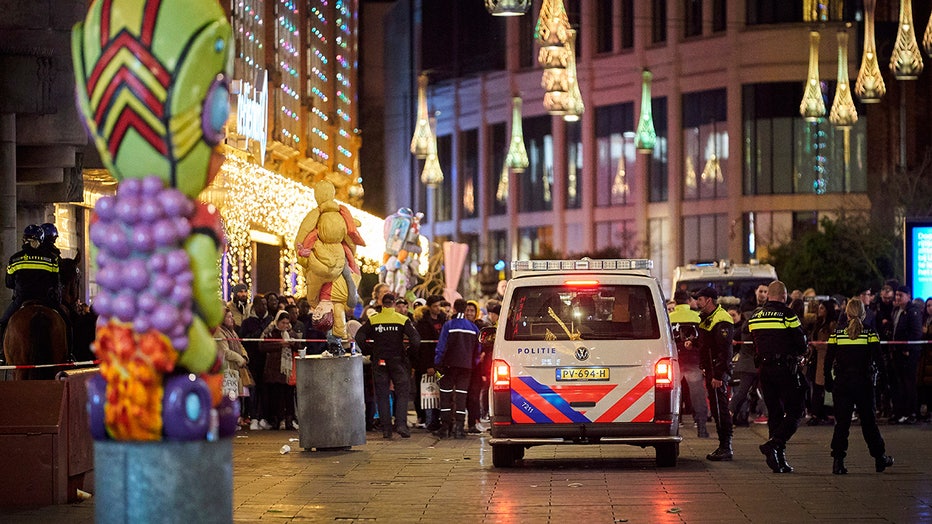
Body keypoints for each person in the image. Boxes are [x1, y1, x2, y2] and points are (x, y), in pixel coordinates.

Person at [824, 298, 894, 474]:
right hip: (863, 383)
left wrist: (828, 381)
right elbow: (879, 360)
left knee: (842, 424)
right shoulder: (870, 333)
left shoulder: (837, 333)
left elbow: (828, 361)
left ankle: (838, 462)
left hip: (842, 383)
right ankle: (880, 458)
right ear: (863, 314)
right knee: (869, 423)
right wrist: (884, 383)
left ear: (846, 313)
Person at [747, 280, 808, 473]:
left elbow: (755, 338)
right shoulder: (788, 314)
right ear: (784, 296)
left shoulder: (756, 316)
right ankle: (775, 444)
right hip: (786, 369)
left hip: (764, 370)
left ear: (768, 295)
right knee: (796, 410)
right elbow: (802, 342)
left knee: (774, 413)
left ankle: (777, 460)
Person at [355, 293, 421, 439]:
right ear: (393, 303)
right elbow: (416, 339)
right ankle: (401, 425)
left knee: (382, 394)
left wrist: (370, 352)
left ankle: (386, 429)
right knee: (402, 393)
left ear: (382, 303)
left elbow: (359, 336)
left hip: (380, 361)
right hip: (398, 361)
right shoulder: (402, 319)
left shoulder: (374, 319)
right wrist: (408, 352)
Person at [0, 225, 62, 344]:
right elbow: (55, 282)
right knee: (66, 322)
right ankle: (69, 354)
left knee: (3, 323)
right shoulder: (51, 259)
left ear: (24, 240)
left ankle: (2, 354)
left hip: (21, 299)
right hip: (45, 299)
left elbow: (9, 283)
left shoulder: (14, 259)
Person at [429, 298, 480, 439]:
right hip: (466, 368)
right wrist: (473, 364)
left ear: (454, 308)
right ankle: (459, 428)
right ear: (464, 309)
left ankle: (445, 428)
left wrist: (438, 363)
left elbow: (441, 346)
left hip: (448, 366)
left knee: (445, 396)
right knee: (461, 397)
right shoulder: (473, 328)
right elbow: (477, 349)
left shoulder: (448, 325)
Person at [694, 287, 734, 460]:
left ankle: (726, 446)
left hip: (717, 372)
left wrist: (718, 375)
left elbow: (724, 351)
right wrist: (693, 343)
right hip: (711, 370)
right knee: (717, 409)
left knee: (720, 409)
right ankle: (723, 446)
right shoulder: (707, 318)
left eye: (700, 299)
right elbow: (707, 344)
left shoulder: (721, 319)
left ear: (709, 300)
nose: (697, 302)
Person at [669, 289, 708, 438]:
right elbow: (703, 341)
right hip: (693, 361)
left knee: (673, 394)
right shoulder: (697, 317)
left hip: (675, 361)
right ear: (688, 300)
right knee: (697, 394)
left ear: (675, 301)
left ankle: (675, 425)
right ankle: (702, 428)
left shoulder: (669, 317)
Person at [261, 310, 300, 430]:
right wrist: (280, 344)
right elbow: (262, 346)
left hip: (288, 371)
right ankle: (277, 420)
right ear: (277, 322)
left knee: (288, 396)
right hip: (274, 370)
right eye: (283, 322)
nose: (285, 325)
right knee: (276, 396)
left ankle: (289, 420)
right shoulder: (270, 332)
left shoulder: (291, 333)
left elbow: (299, 346)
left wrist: (292, 343)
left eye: (287, 323)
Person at [889, 285, 923, 424]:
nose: (897, 298)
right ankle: (899, 412)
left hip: (908, 354)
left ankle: (911, 412)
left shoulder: (912, 312)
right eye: (896, 295)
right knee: (898, 384)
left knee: (908, 383)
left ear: (908, 296)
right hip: (896, 353)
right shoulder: (896, 310)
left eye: (900, 295)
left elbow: (916, 333)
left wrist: (907, 348)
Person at [240, 295, 273, 430]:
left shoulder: (270, 320)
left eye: (265, 304)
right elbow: (244, 339)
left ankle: (263, 417)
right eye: (261, 304)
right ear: (255, 306)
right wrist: (261, 331)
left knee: (265, 390)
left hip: (267, 360)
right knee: (253, 390)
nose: (264, 307)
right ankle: (253, 417)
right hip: (253, 359)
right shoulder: (248, 322)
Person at [415, 294, 447, 430]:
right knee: (428, 391)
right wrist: (428, 365)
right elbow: (424, 347)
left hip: (440, 363)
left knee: (440, 390)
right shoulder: (423, 322)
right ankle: (429, 420)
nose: (438, 308)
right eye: (435, 306)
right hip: (428, 362)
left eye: (439, 305)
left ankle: (438, 418)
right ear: (429, 307)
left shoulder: (443, 319)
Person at [216, 306, 252, 427]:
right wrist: (239, 358)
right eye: (228, 317)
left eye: (232, 316)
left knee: (236, 396)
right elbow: (225, 351)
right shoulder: (219, 331)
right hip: (228, 368)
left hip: (236, 369)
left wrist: (245, 356)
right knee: (228, 396)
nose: (231, 319)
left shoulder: (232, 331)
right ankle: (227, 422)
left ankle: (235, 420)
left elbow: (240, 345)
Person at [806, 299, 837, 425]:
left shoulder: (831, 325)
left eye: (822, 308)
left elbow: (832, 342)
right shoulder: (818, 324)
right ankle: (817, 413)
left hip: (825, 358)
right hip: (816, 358)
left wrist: (818, 345)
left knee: (822, 387)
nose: (819, 310)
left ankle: (822, 413)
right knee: (816, 386)